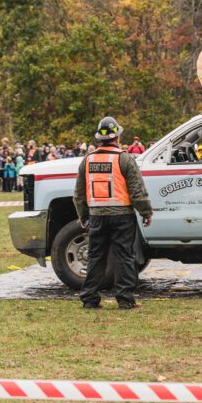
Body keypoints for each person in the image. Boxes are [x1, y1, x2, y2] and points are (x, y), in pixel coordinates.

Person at [73, 116, 153, 310]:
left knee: (95, 257)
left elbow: (79, 193)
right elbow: (137, 189)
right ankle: (125, 299)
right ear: (117, 137)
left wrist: (83, 215)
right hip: (122, 216)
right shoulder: (124, 159)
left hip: (97, 216)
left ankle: (89, 298)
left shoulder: (88, 160)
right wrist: (145, 211)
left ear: (99, 138)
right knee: (124, 256)